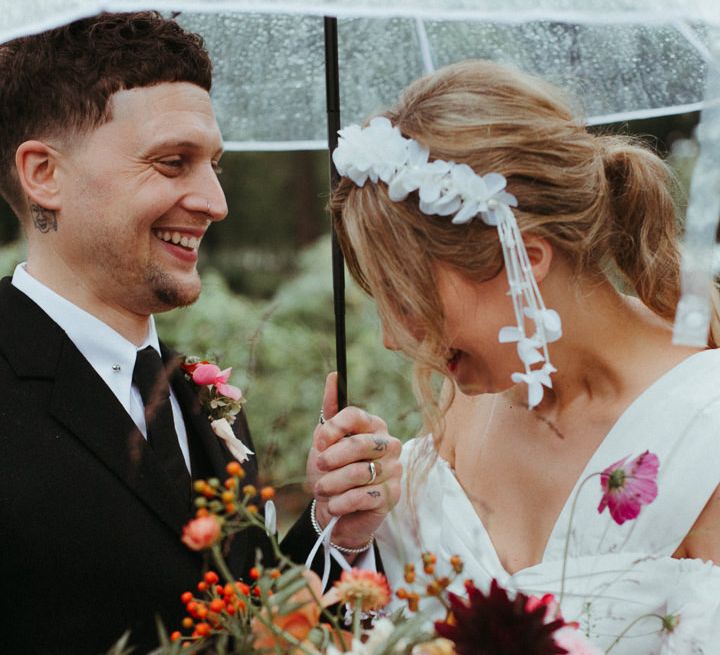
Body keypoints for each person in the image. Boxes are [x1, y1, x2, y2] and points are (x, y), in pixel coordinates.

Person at [0, 12, 400, 654]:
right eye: (172, 162)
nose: (215, 201)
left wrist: (335, 531)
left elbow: (251, 625)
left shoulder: (200, 397)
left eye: (213, 164)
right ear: (45, 174)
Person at [329, 60, 720, 653]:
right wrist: (353, 537)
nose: (392, 337)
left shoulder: (705, 435)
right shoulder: (465, 403)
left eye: (411, 300)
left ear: (526, 259)